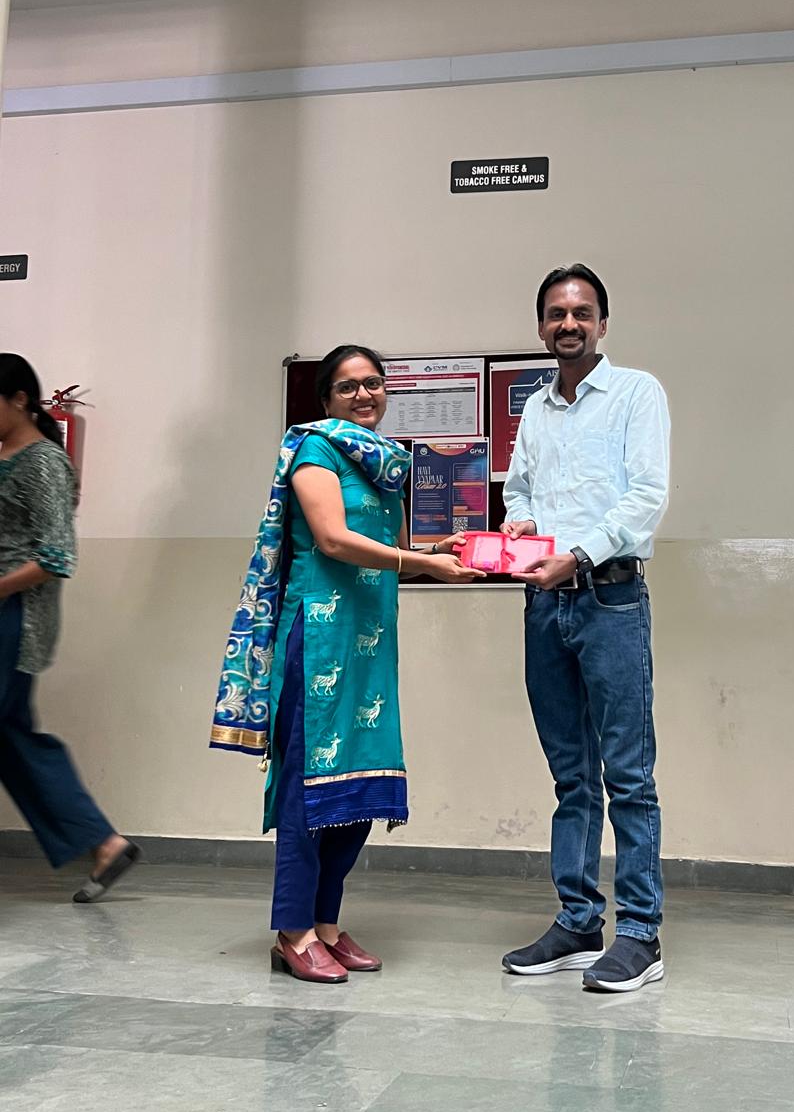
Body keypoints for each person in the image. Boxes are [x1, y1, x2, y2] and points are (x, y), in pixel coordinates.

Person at [211, 344, 482, 983]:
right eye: (348, 386)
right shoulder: (315, 450)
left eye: (373, 383)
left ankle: (326, 924)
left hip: (369, 643)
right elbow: (333, 540)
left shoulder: (385, 464)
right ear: (326, 399)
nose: (364, 395)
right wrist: (420, 562)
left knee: (358, 788)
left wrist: (434, 552)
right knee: (310, 791)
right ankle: (293, 930)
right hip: (319, 643)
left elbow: (384, 551)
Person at [500, 264, 670, 993]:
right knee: (571, 777)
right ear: (542, 326)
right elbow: (518, 489)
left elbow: (647, 495)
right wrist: (520, 525)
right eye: (555, 313)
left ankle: (640, 934)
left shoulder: (637, 392)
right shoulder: (536, 410)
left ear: (602, 322)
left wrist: (578, 554)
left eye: (581, 312)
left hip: (611, 598)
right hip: (546, 605)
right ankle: (578, 922)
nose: (567, 324)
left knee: (627, 775)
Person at [0, 353, 140, 902]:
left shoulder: (43, 463)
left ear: (19, 400)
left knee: (10, 733)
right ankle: (103, 843)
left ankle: (102, 841)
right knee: (10, 735)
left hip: (16, 617)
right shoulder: (6, 455)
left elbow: (57, 555)